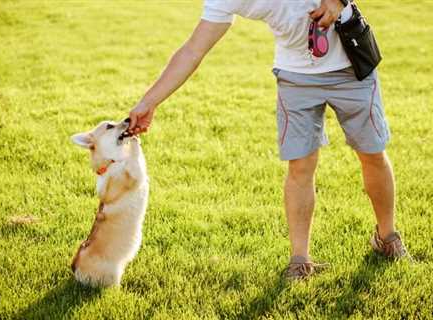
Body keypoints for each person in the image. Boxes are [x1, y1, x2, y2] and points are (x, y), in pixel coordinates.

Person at [128, 0, 410, 280]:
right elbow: (193, 50)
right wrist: (149, 102)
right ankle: (300, 260)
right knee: (300, 167)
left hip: (351, 67)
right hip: (295, 78)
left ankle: (387, 237)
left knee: (372, 153)